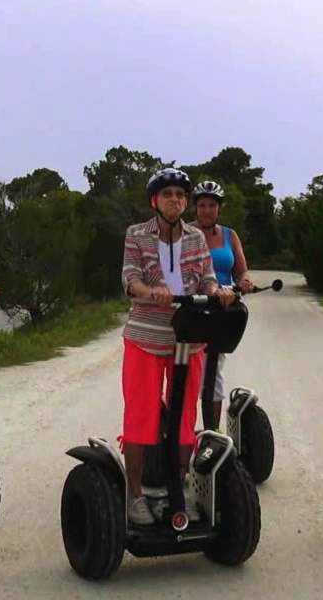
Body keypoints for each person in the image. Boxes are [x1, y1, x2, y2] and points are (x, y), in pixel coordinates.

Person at [120, 168, 235, 525]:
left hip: (188, 338)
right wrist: (147, 291)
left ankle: (179, 485)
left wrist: (218, 292)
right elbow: (129, 278)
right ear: (155, 200)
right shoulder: (136, 234)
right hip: (146, 337)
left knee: (186, 417)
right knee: (140, 418)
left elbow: (207, 278)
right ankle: (135, 494)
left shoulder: (195, 237)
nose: (175, 201)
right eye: (168, 194)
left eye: (180, 196)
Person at [189, 180, 256, 431]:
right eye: (202, 205)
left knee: (214, 371)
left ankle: (211, 432)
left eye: (212, 205)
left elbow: (241, 270)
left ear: (219, 208)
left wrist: (244, 281)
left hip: (223, 310)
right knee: (190, 372)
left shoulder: (229, 235)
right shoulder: (186, 234)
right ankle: (184, 433)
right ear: (195, 208)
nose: (207, 210)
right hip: (193, 309)